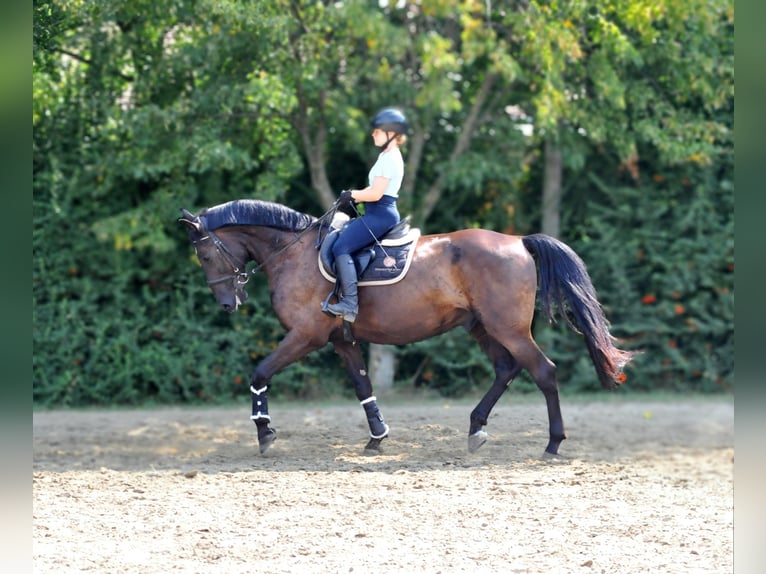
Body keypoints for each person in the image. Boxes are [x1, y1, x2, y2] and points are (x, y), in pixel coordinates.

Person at [324, 107, 408, 323]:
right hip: (378, 211)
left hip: (380, 214)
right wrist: (353, 198)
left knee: (340, 247)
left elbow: (377, 193)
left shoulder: (390, 159)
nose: (373, 134)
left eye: (378, 131)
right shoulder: (386, 156)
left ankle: (350, 304)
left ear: (391, 133)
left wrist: (352, 194)